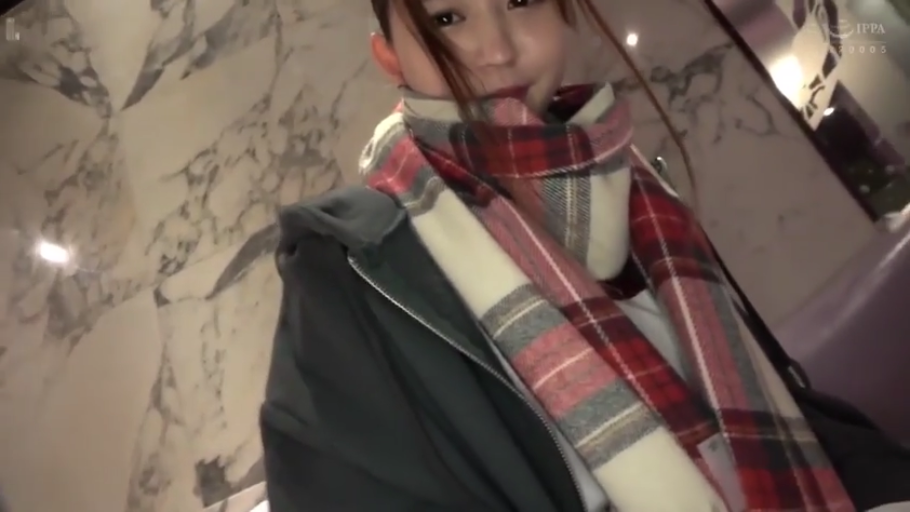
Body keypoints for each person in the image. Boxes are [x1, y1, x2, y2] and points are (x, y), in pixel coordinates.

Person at [258, 0, 908, 510]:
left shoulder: (639, 190)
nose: (498, 49)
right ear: (390, 57)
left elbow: (779, 412)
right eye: (448, 18)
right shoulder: (352, 264)